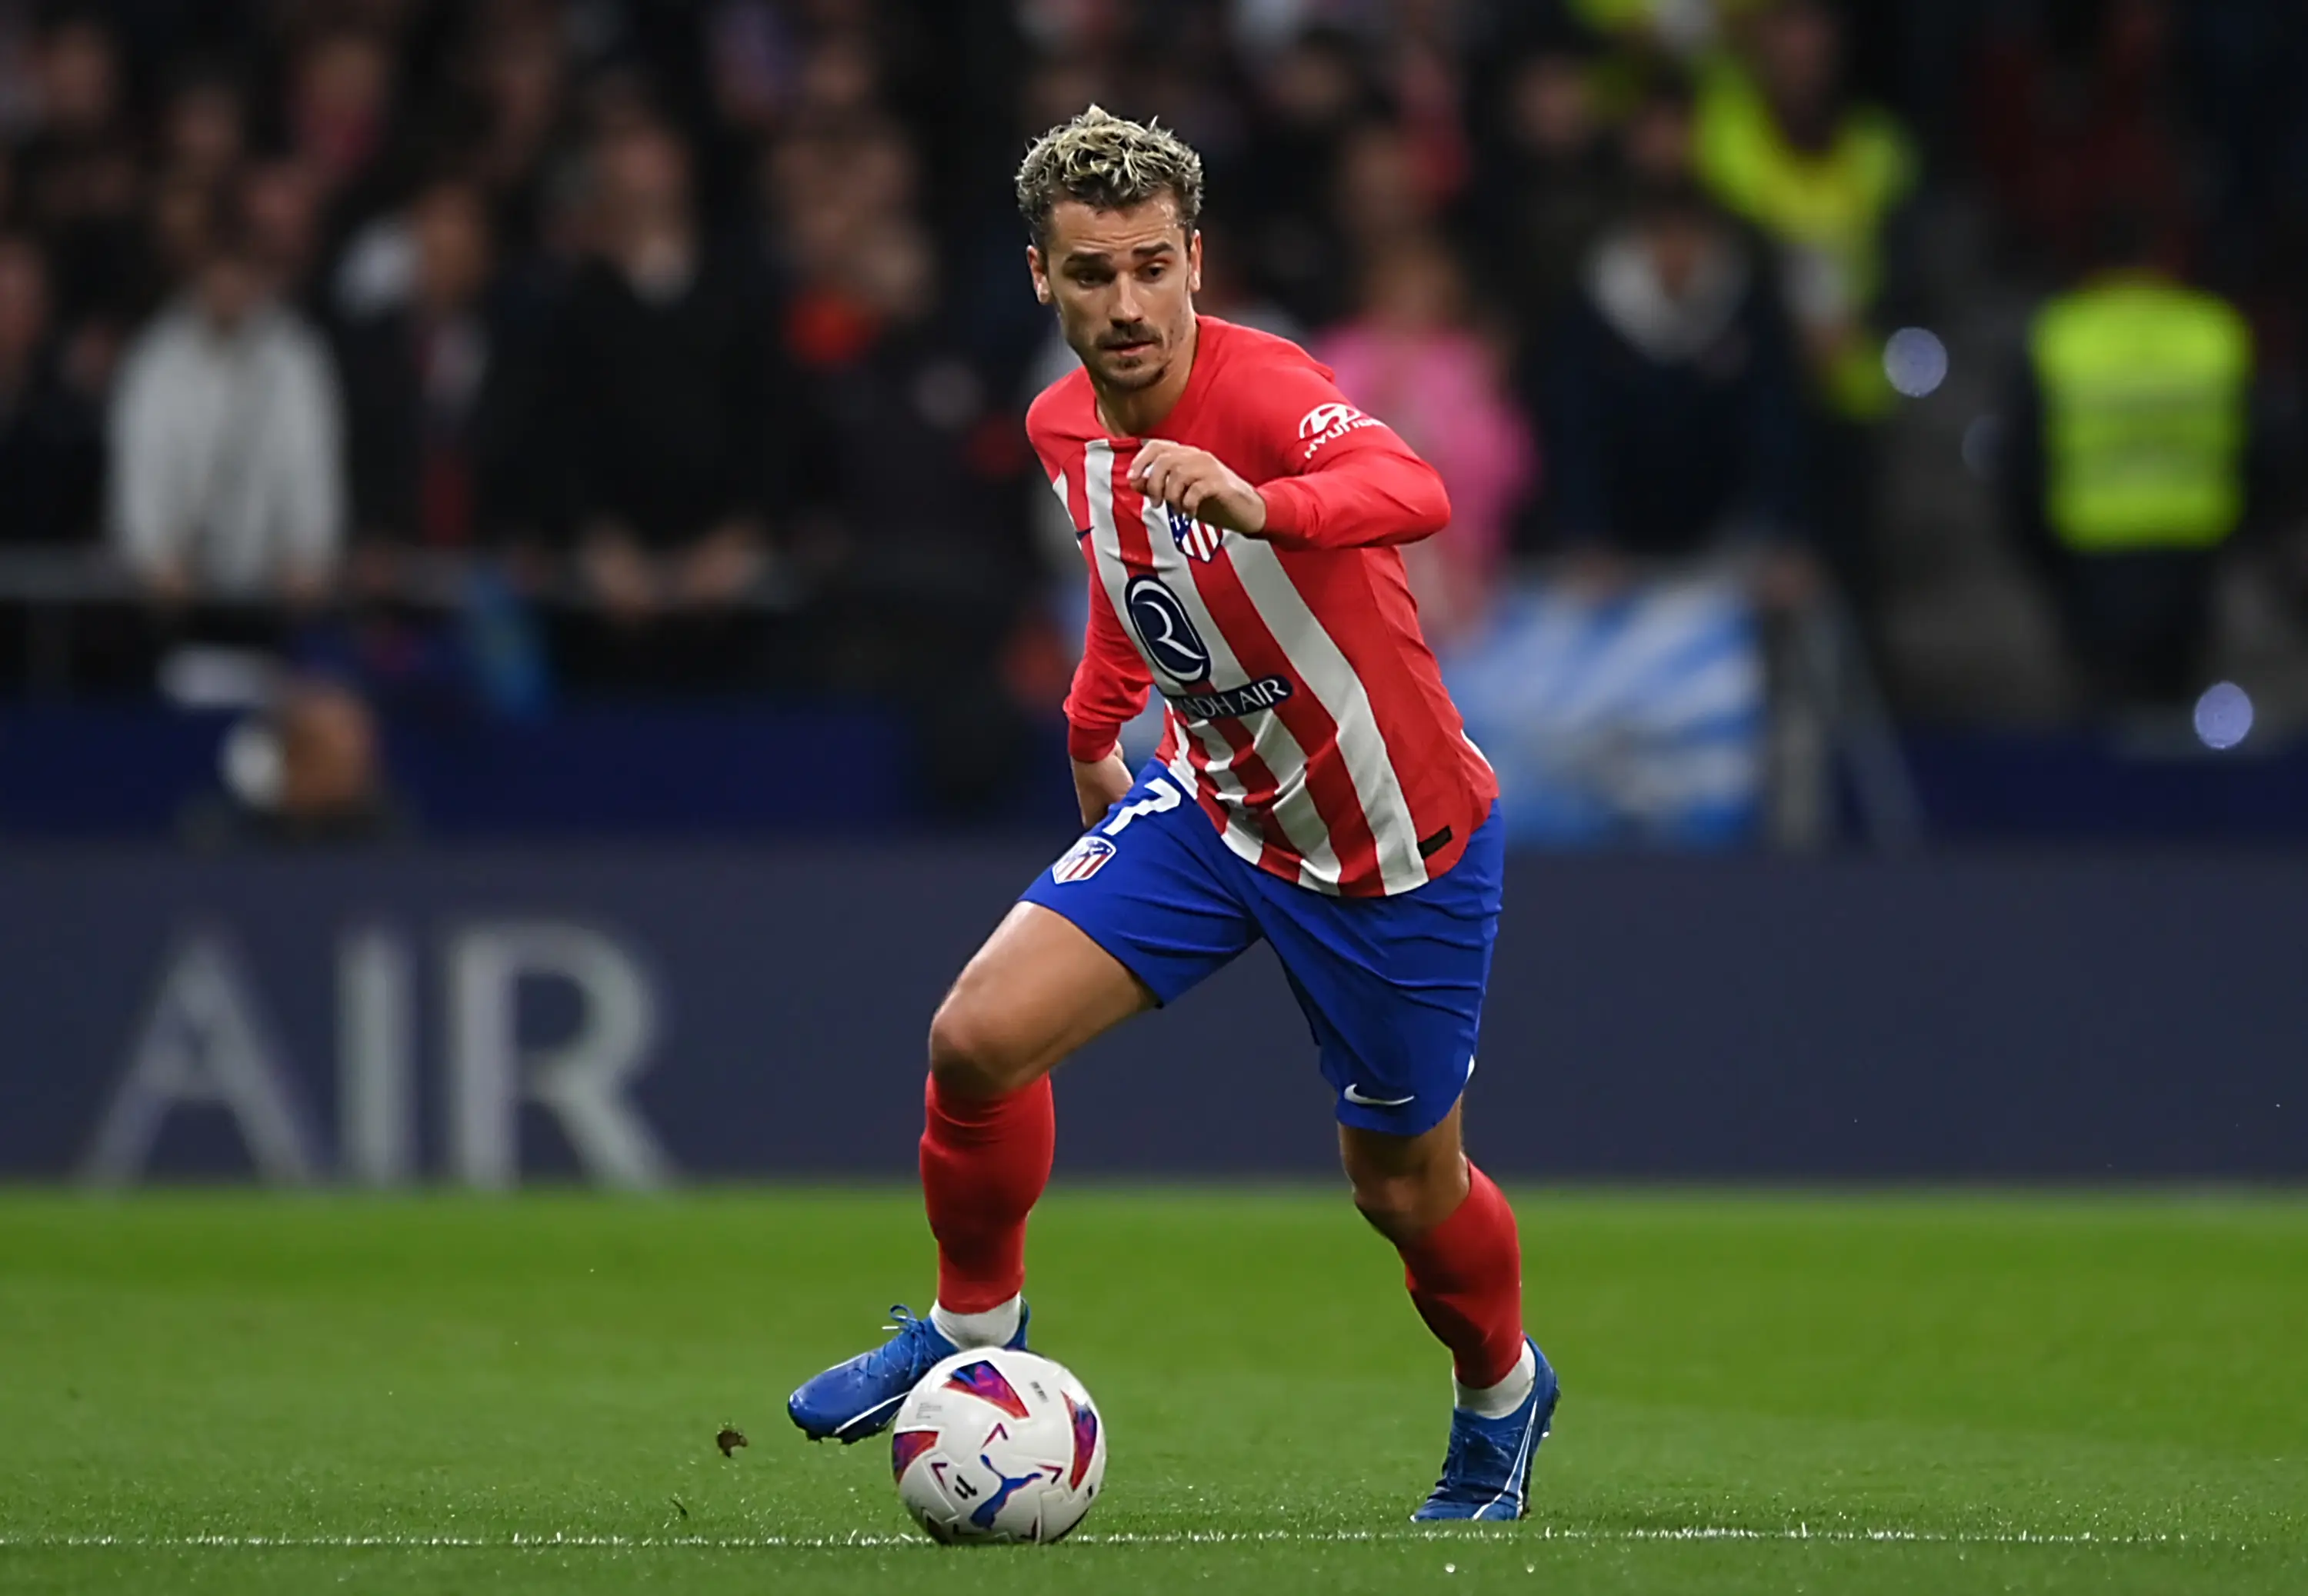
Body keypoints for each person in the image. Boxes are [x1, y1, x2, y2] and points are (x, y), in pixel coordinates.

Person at [787, 108, 1556, 1524]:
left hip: (1392, 851)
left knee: (1402, 1191)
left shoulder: (1268, 392)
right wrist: (1094, 724)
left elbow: (1415, 488)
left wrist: (1265, 502)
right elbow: (1129, 576)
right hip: (1214, 807)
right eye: (1092, 274)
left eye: (1151, 266)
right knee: (976, 1041)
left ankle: (1504, 1393)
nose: (1126, 304)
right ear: (1042, 279)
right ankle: (972, 1340)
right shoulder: (1057, 422)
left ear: (1196, 260)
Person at [2002, 212, 2256, 708]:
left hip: (2094, 558)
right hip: (2192, 551)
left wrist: (2043, 557)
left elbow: (2023, 465)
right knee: (2179, 723)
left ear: (2093, 264)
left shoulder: (2061, 333)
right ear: (2167, 258)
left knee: (2106, 725)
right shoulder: (2212, 330)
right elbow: (2257, 446)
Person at [107, 218, 345, 606]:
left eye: (240, 273)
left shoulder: (295, 356)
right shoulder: (156, 358)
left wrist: (311, 551)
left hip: (274, 596)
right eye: (219, 273)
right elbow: (141, 461)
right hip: (174, 593)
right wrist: (151, 554)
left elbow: (311, 459)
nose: (228, 287)